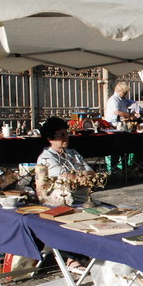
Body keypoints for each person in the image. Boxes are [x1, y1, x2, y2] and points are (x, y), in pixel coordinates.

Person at [36, 116, 95, 271]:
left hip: (81, 197)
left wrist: (80, 176)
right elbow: (66, 177)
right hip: (60, 200)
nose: (65, 138)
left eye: (66, 134)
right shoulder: (46, 158)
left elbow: (91, 172)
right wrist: (79, 176)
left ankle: (88, 253)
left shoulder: (72, 153)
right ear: (49, 139)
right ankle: (72, 258)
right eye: (60, 135)